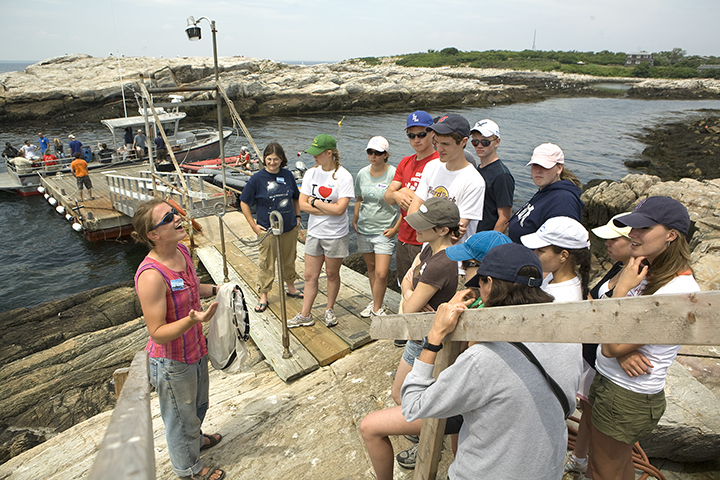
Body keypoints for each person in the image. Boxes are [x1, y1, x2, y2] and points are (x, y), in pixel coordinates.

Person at [400, 242, 583, 479]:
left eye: (481, 282)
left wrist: (434, 337)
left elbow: (413, 405)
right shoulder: (568, 338)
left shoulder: (484, 360)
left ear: (490, 284)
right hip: (546, 471)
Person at [588, 196, 699, 480]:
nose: (632, 235)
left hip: (626, 395)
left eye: (644, 228)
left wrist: (621, 291)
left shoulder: (676, 292)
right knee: (619, 463)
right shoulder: (649, 269)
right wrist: (620, 349)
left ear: (672, 235)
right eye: (632, 227)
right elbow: (609, 333)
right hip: (614, 383)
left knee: (603, 470)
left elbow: (611, 343)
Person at [359, 197, 461, 476]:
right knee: (398, 392)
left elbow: (407, 309)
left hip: (424, 342)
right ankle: (425, 433)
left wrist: (408, 291)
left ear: (442, 230)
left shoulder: (441, 263)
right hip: (417, 337)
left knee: (408, 397)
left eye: (423, 225)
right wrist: (409, 289)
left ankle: (429, 436)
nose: (414, 228)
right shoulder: (430, 248)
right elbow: (407, 279)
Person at [132, 199, 225, 480]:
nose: (177, 218)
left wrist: (219, 290)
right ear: (154, 235)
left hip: (195, 349)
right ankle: (189, 470)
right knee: (179, 417)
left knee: (198, 407)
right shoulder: (151, 276)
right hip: (171, 360)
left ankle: (194, 441)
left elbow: (194, 289)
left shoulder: (182, 251)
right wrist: (193, 320)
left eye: (175, 213)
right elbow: (157, 331)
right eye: (168, 217)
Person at [564, 213, 633, 475]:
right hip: (592, 354)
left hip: (603, 359)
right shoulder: (618, 267)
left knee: (596, 420)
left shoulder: (635, 276)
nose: (606, 244)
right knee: (588, 412)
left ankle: (584, 460)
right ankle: (580, 457)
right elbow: (594, 297)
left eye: (613, 240)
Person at [289, 134, 354, 328]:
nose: (314, 157)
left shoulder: (344, 176)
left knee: (332, 274)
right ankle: (305, 314)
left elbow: (340, 210)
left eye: (318, 154)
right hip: (315, 232)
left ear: (329, 153)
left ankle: (329, 308)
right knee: (310, 275)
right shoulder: (310, 173)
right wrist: (327, 207)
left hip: (335, 234)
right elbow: (301, 204)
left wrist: (315, 201)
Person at [239, 142, 303, 313]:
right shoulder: (256, 179)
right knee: (266, 262)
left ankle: (291, 287)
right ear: (264, 159)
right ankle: (264, 295)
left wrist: (297, 217)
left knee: (289, 259)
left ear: (281, 159)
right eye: (269, 159)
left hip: (289, 227)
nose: (272, 162)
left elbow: (296, 197)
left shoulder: (288, 175)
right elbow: (243, 202)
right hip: (267, 229)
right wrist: (253, 225)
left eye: (276, 159)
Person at [407, 113, 485, 243]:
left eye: (445, 144)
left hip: (453, 257)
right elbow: (412, 212)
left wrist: (424, 220)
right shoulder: (431, 167)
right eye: (436, 142)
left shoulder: (474, 182)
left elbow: (453, 234)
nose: (439, 148)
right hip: (427, 250)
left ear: (463, 142)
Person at [384, 110, 439, 282]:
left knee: (423, 286)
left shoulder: (439, 162)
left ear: (432, 133)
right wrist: (399, 195)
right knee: (404, 283)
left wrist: (406, 193)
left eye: (421, 134)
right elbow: (387, 195)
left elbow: (437, 204)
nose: (416, 139)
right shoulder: (406, 161)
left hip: (427, 239)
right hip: (404, 237)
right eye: (411, 135)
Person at [353, 136, 400, 317]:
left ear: (386, 154)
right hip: (364, 228)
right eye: (370, 152)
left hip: (384, 230)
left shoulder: (394, 174)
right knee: (371, 268)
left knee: (381, 273)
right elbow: (359, 198)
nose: (373, 156)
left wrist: (395, 228)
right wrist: (355, 219)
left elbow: (404, 205)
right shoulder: (362, 173)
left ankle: (377, 308)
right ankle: (376, 302)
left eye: (378, 153)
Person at [507, 143, 583, 243]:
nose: (538, 170)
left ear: (559, 168)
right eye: (535, 165)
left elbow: (560, 246)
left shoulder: (563, 201)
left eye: (545, 166)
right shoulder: (544, 192)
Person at [520, 216, 591, 302]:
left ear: (563, 256)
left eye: (540, 250)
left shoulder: (562, 299)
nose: (534, 253)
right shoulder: (554, 277)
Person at [469, 119, 515, 233]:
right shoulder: (477, 169)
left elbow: (504, 218)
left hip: (484, 237)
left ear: (497, 142)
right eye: (475, 142)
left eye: (485, 142)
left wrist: (488, 243)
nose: (479, 146)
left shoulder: (502, 175)